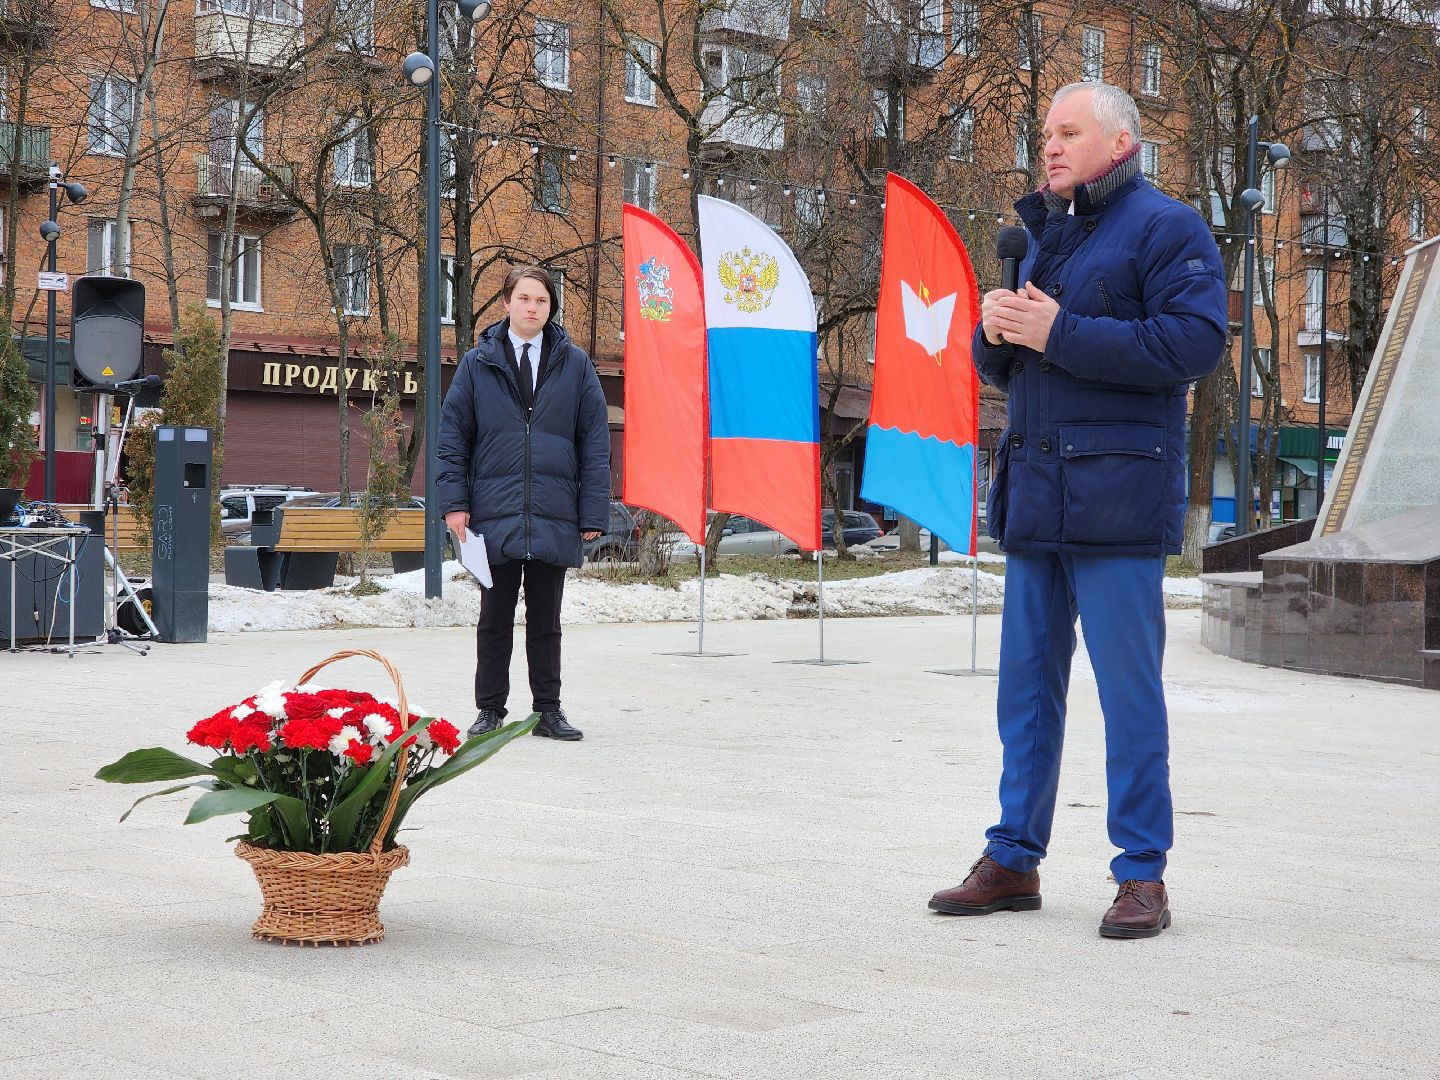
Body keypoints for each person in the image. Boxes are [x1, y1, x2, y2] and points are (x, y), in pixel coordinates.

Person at [929, 83, 1226, 937]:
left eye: (1068, 131)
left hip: (1118, 501)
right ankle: (1012, 858)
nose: (1050, 146)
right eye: (1046, 133)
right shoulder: (1040, 235)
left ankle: (1142, 874)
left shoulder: (1169, 228)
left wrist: (1056, 331)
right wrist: (995, 333)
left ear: (1120, 142)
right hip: (1037, 496)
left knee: (1129, 697)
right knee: (1024, 692)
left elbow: (1193, 343)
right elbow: (1018, 364)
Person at [438, 265, 611, 742]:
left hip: (554, 511)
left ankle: (547, 711)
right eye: (524, 298)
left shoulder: (575, 364)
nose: (533, 308)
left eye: (542, 300)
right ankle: (490, 710)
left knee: (546, 620)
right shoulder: (477, 363)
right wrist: (454, 503)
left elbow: (594, 442)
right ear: (506, 303)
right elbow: (452, 440)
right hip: (493, 512)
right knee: (493, 619)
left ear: (551, 308)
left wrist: (593, 512)